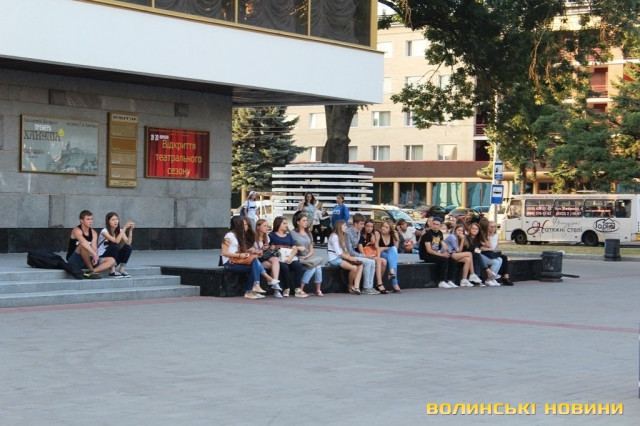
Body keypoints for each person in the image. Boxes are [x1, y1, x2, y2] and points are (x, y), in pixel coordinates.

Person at [221, 216, 280, 299]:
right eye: (243, 224)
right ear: (238, 224)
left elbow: (238, 250)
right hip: (229, 262)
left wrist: (251, 251)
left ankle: (254, 288)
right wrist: (239, 255)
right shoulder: (229, 235)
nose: (245, 226)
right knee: (254, 265)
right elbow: (224, 252)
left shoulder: (239, 235)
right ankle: (258, 285)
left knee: (254, 263)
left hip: (237, 260)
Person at [66, 210, 116, 279]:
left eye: (91, 219)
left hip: (87, 259)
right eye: (88, 219)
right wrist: (94, 254)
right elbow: (83, 242)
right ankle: (91, 269)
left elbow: (94, 247)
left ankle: (91, 272)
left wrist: (95, 256)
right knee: (83, 246)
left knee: (112, 260)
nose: (91, 221)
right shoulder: (76, 230)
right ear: (81, 220)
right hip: (75, 260)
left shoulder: (93, 232)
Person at [269, 216, 307, 298]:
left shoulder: (288, 236)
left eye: (286, 223)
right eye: (284, 223)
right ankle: (286, 288)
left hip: (289, 257)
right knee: (284, 267)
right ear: (278, 224)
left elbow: (294, 248)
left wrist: (290, 257)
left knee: (298, 266)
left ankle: (297, 288)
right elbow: (269, 247)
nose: (286, 225)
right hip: (279, 258)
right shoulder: (272, 235)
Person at [418, 216, 458, 288]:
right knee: (444, 260)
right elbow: (429, 250)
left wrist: (449, 253)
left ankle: (449, 280)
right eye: (434, 224)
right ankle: (441, 281)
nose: (435, 226)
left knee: (452, 259)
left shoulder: (439, 233)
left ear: (440, 226)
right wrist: (442, 255)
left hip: (435, 253)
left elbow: (443, 243)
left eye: (437, 224)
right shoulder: (427, 234)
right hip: (426, 255)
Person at [291, 212, 324, 296]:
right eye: (304, 221)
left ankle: (318, 289)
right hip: (298, 257)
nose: (306, 222)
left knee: (318, 267)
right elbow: (290, 247)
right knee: (312, 268)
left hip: (307, 257)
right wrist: (299, 250)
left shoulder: (308, 233)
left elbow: (311, 250)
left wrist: (306, 256)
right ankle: (300, 288)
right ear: (298, 222)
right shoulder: (293, 233)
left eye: (306, 220)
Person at [327, 220, 363, 294]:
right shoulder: (334, 236)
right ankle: (350, 285)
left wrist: (350, 257)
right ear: (339, 226)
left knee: (359, 264)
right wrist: (350, 258)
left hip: (340, 258)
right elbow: (339, 252)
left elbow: (345, 250)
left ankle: (356, 286)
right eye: (344, 225)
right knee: (354, 268)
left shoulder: (341, 236)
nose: (346, 227)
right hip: (334, 259)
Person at [345, 213, 379, 295]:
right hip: (348, 255)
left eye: (363, 224)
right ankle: (366, 287)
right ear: (355, 223)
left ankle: (370, 286)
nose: (363, 226)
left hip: (354, 254)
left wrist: (372, 236)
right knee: (367, 261)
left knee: (372, 261)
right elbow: (350, 251)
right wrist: (364, 256)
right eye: (361, 224)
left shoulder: (359, 232)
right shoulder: (348, 233)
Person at [97, 212, 134, 278]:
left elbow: (128, 243)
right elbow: (116, 241)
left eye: (117, 219)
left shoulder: (120, 231)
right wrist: (125, 228)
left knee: (129, 247)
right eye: (113, 220)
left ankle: (121, 270)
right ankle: (112, 271)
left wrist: (130, 230)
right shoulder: (104, 231)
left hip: (113, 259)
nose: (115, 221)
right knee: (115, 246)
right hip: (102, 259)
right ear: (108, 222)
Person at [253, 219, 284, 297]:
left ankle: (275, 284)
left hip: (264, 256)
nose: (267, 228)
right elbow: (251, 251)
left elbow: (267, 250)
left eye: (267, 226)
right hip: (256, 258)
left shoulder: (266, 236)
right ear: (258, 227)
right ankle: (275, 288)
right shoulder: (253, 237)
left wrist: (270, 247)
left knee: (275, 261)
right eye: (264, 226)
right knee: (274, 265)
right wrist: (261, 249)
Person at [358, 219, 388, 294]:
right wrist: (371, 257)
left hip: (372, 255)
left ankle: (377, 282)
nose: (369, 228)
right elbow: (361, 251)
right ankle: (379, 284)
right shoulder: (360, 235)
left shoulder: (372, 235)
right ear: (364, 226)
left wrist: (378, 256)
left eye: (371, 227)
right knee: (378, 261)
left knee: (384, 261)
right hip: (363, 255)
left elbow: (377, 248)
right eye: (367, 226)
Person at [467, 222, 501, 286]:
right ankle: (489, 275)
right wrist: (480, 249)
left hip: (477, 255)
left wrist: (486, 245)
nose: (474, 230)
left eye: (476, 229)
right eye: (473, 228)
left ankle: (491, 278)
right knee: (478, 255)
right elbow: (469, 248)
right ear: (470, 229)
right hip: (469, 255)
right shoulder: (467, 237)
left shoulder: (477, 238)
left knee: (500, 259)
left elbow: (481, 247)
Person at [375, 219, 403, 293]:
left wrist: (385, 248)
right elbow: (377, 248)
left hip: (389, 255)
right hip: (380, 254)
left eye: (386, 227)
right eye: (383, 226)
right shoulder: (378, 233)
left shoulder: (393, 234)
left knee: (393, 251)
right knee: (393, 261)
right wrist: (387, 248)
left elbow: (395, 249)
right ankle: (394, 283)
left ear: (390, 229)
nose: (383, 228)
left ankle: (391, 271)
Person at [487, 220, 513, 286]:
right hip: (488, 252)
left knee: (503, 257)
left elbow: (497, 245)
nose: (493, 228)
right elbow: (489, 246)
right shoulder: (486, 236)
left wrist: (496, 251)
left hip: (495, 252)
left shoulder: (496, 235)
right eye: (491, 227)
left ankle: (505, 277)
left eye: (494, 227)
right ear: (488, 227)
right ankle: (504, 277)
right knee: (502, 258)